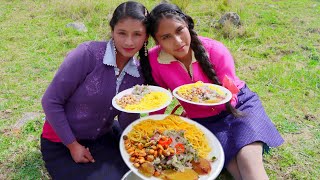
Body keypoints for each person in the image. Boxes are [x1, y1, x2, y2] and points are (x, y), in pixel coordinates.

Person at [141, 3, 284, 180]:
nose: (177, 41)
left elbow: (231, 93)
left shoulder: (215, 50)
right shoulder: (155, 61)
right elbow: (159, 100)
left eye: (180, 30)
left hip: (238, 107)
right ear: (157, 41)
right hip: (204, 121)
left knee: (248, 159)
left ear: (187, 24)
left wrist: (205, 101)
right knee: (234, 168)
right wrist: (154, 127)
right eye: (166, 37)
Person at [40, 1, 149, 179]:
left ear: (146, 37)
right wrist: (73, 146)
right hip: (62, 142)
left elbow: (126, 115)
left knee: (137, 171)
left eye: (137, 34)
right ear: (112, 31)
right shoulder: (88, 55)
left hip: (102, 137)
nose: (129, 41)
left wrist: (139, 139)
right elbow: (50, 101)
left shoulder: (138, 73)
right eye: (122, 33)